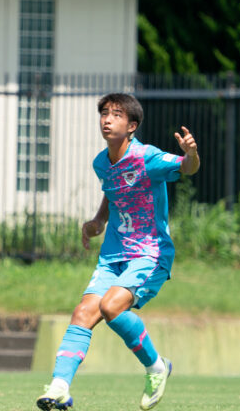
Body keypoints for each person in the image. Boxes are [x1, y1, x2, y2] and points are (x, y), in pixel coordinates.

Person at [36, 93, 200, 411]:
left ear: (132, 125)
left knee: (111, 307)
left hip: (150, 255)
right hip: (113, 256)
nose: (107, 119)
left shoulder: (147, 158)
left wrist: (191, 153)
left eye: (116, 114)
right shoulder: (101, 163)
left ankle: (156, 367)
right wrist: (98, 221)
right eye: (104, 113)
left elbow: (188, 169)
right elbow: (113, 193)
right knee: (84, 313)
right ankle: (58, 388)